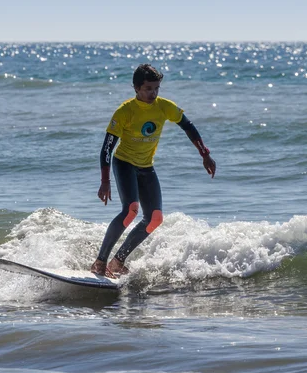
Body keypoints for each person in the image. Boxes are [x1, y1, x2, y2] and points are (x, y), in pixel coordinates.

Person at [91, 64, 216, 278]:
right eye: (148, 88)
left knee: (155, 218)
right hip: (124, 163)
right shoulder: (125, 111)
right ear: (136, 88)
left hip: (146, 166)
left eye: (157, 88)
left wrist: (204, 153)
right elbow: (107, 148)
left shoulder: (164, 106)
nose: (154, 93)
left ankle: (117, 262)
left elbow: (188, 126)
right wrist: (105, 180)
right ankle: (99, 262)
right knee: (131, 209)